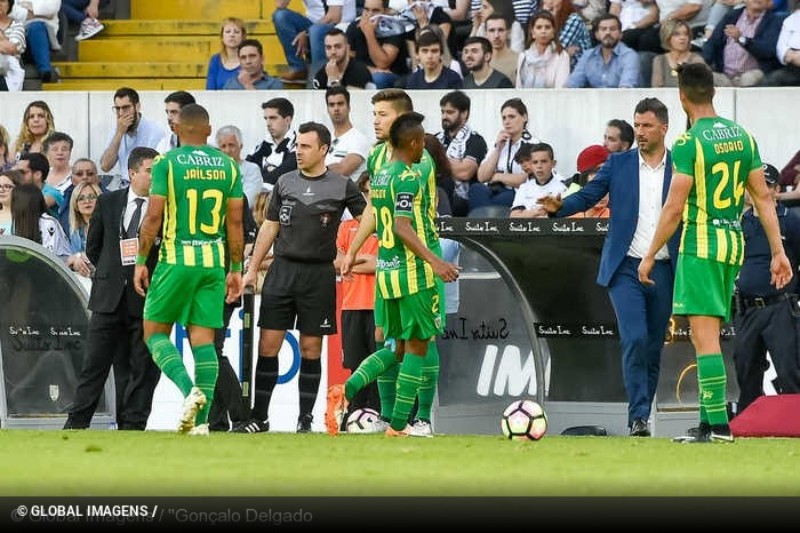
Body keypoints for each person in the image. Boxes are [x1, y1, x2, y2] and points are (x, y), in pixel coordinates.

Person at [637, 62, 793, 443]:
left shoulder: (689, 144)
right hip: (732, 244)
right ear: (714, 92)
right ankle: (709, 422)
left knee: (704, 338)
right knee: (705, 335)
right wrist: (778, 251)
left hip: (701, 243)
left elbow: (674, 207)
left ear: (682, 97)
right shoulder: (742, 136)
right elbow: (762, 199)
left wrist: (649, 253)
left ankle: (718, 426)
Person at [539, 97, 678, 437]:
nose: (640, 132)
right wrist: (560, 207)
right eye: (637, 125)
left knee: (653, 344)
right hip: (625, 268)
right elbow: (589, 195)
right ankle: (638, 416)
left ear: (664, 127)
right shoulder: (618, 164)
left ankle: (643, 411)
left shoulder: (681, 167)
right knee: (634, 337)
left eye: (646, 126)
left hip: (664, 267)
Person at [325, 90, 452, 437]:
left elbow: (380, 207)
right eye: (375, 113)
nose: (375, 119)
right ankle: (406, 420)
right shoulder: (404, 160)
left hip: (391, 264)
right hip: (417, 263)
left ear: (400, 119)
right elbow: (380, 212)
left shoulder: (410, 159)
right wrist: (352, 248)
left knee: (397, 341)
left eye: (382, 114)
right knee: (415, 341)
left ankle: (402, 413)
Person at [236, 122, 366, 434]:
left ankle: (305, 419)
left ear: (323, 150)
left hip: (318, 275)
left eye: (306, 146)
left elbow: (369, 217)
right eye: (297, 145)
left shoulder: (342, 185)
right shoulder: (284, 182)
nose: (299, 151)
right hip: (282, 271)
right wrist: (253, 268)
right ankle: (259, 417)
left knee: (311, 348)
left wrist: (351, 252)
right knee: (268, 346)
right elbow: (269, 227)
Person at [133, 104, 245, 437]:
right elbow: (236, 223)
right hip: (213, 261)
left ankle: (189, 392)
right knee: (204, 341)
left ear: (177, 128)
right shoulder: (228, 165)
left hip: (175, 258)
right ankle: (201, 424)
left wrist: (141, 260)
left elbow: (153, 218)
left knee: (154, 333)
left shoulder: (167, 163)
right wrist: (236, 268)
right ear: (209, 131)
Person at [63, 147, 163, 431]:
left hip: (148, 299)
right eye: (151, 171)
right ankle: (76, 423)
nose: (157, 177)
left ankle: (133, 425)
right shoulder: (107, 202)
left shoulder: (166, 206)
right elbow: (93, 248)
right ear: (133, 173)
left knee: (143, 368)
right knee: (94, 365)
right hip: (108, 300)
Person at [732, 163, 800, 414]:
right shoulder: (739, 222)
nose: (759, 189)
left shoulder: (790, 220)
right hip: (746, 308)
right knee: (745, 367)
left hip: (780, 306)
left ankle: (794, 422)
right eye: (753, 184)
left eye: (766, 184)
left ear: (777, 188)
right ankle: (748, 422)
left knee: (789, 369)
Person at [334, 171, 381, 423]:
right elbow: (334, 261)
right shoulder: (346, 227)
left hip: (378, 304)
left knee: (379, 365)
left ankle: (378, 415)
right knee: (355, 364)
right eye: (365, 192)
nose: (368, 197)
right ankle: (355, 416)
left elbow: (382, 264)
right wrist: (364, 262)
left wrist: (352, 263)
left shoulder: (387, 225)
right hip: (351, 304)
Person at [99, 87, 163, 181]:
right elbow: (105, 166)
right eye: (117, 108)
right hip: (124, 185)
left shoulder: (155, 131)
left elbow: (156, 169)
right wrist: (119, 133)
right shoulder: (116, 131)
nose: (121, 113)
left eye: (125, 108)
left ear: (137, 107)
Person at [205, 17, 246, 90]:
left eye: (236, 32)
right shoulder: (215, 60)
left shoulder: (248, 60)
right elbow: (209, 90)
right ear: (222, 37)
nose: (232, 35)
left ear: (243, 37)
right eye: (228, 32)